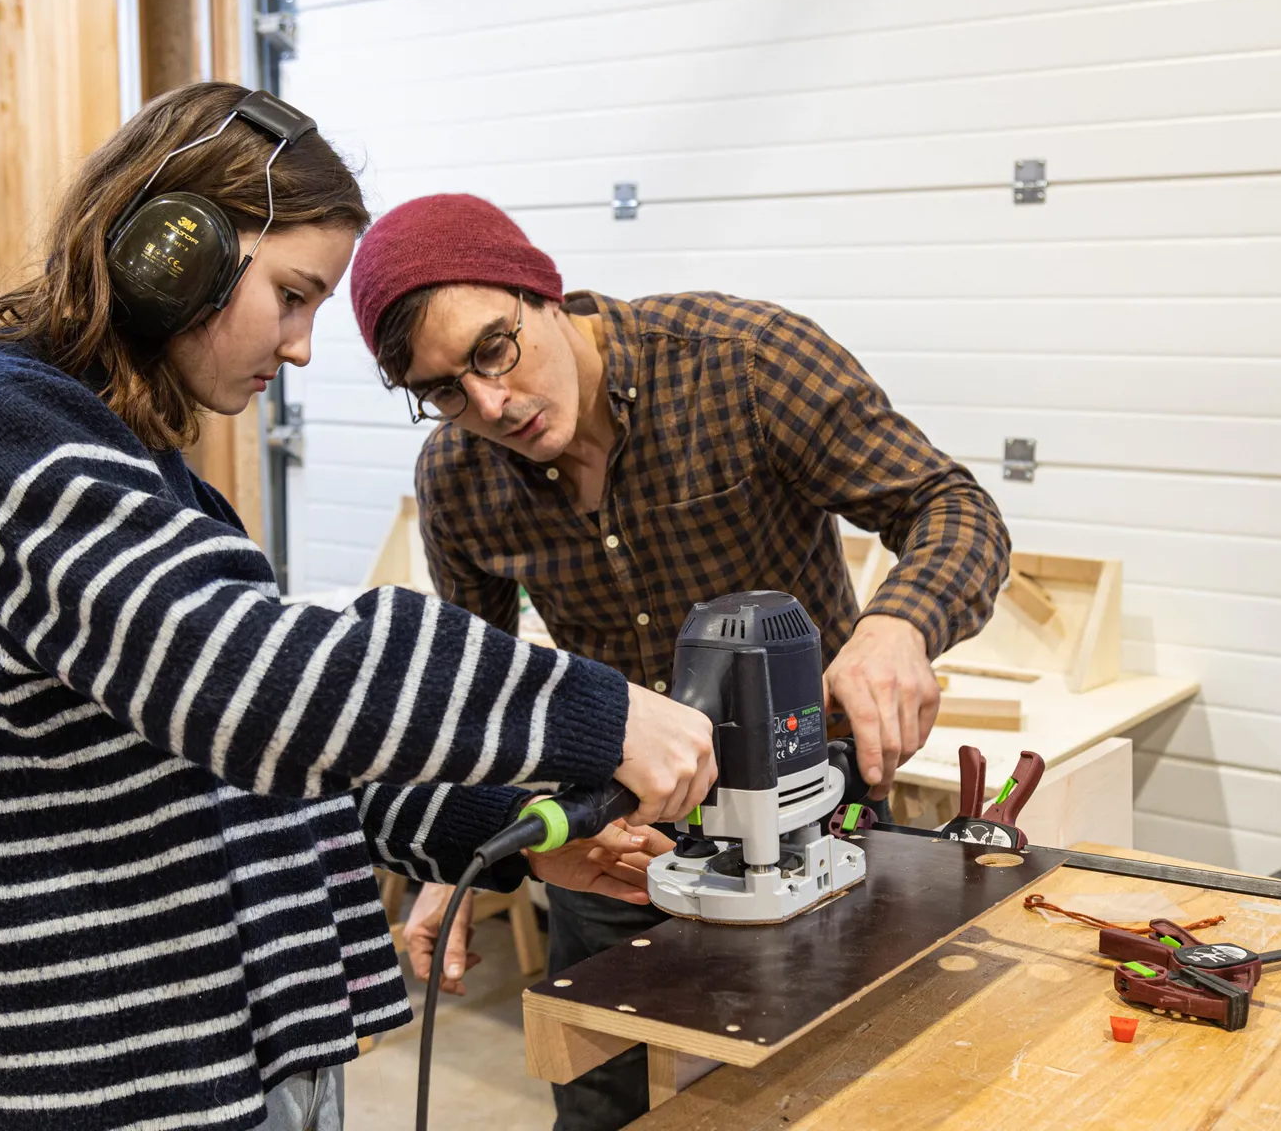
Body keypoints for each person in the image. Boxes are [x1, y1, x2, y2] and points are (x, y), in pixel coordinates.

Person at [0, 84, 716, 1131]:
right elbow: (245, 682)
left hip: (236, 1056)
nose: (299, 350)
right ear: (172, 252)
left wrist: (506, 834)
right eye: (292, 295)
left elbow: (258, 772)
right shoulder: (2, 424)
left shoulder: (155, 481)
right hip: (110, 1085)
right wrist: (603, 712)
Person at [348, 193, 1012, 1130]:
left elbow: (953, 506)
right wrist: (445, 847)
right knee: (605, 1111)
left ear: (540, 291)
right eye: (446, 390)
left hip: (815, 826)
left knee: (837, 1099)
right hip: (622, 848)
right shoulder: (458, 476)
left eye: (494, 350)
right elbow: (484, 686)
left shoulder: (744, 364)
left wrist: (898, 626)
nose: (489, 405)